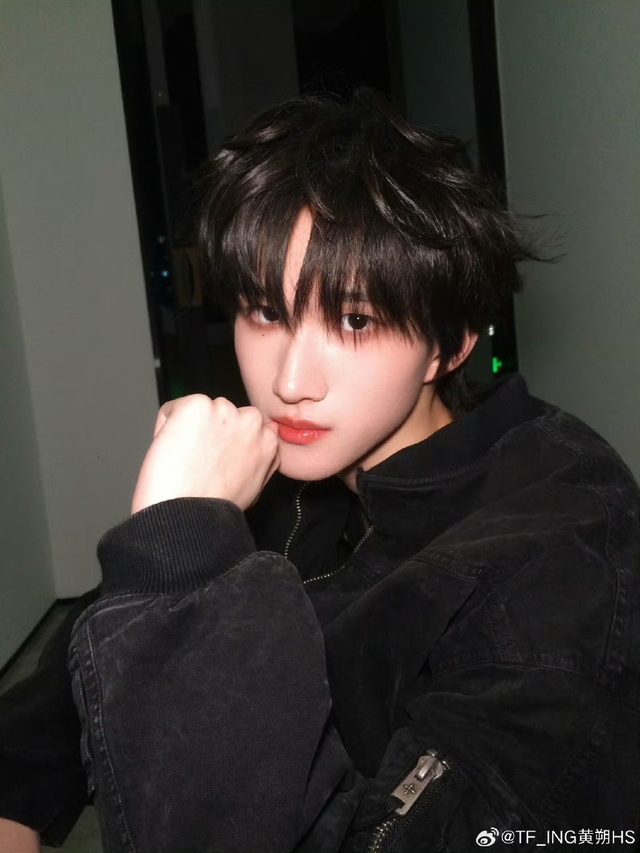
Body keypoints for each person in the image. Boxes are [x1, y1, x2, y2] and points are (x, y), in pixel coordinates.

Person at [1, 91, 638, 853]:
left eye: (355, 320)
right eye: (266, 311)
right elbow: (75, 671)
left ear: (451, 343)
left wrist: (186, 566)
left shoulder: (561, 552)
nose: (290, 382)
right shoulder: (286, 467)